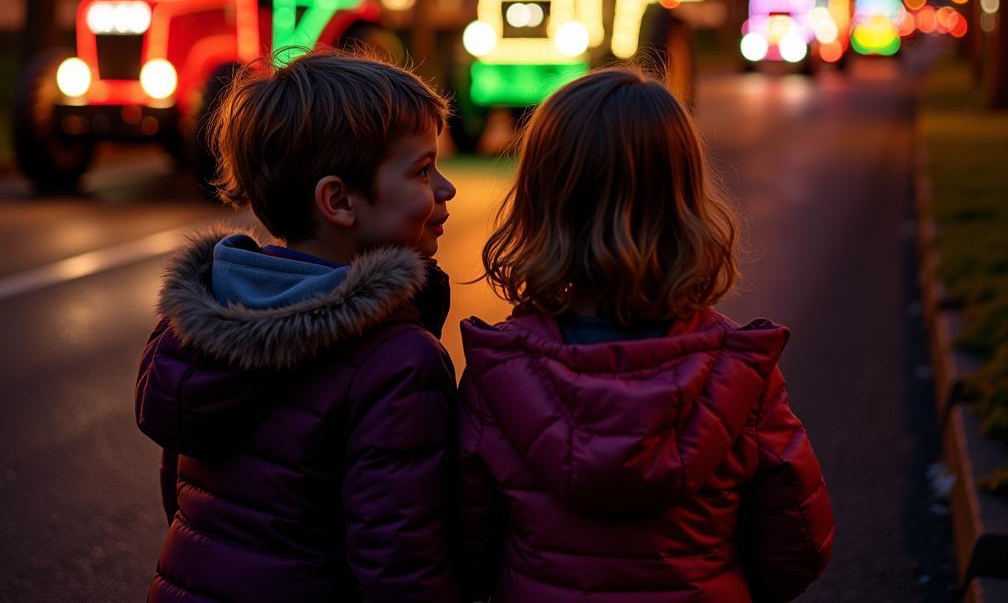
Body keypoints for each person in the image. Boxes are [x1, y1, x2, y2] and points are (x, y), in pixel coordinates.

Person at [457, 67, 834, 602]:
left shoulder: (500, 372)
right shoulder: (740, 372)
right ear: (685, 207)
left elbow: (468, 547)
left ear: (540, 206)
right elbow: (798, 543)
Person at [136, 50, 459, 602]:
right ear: (338, 200)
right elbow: (402, 568)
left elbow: (184, 502)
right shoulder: (399, 361)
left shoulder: (203, 325)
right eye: (423, 171)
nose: (447, 189)